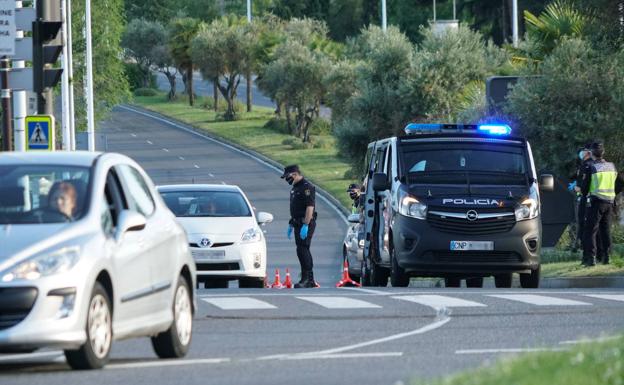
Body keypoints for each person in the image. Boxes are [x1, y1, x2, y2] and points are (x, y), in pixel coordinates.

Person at [581, 142, 621, 266]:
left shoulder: (591, 167)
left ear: (592, 153)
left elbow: (584, 189)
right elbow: (618, 184)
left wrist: (584, 193)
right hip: (609, 202)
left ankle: (591, 258)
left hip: (596, 202)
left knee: (590, 230)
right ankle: (607, 257)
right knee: (605, 230)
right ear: (603, 153)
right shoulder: (612, 166)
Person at [282, 164, 318, 288]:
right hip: (297, 222)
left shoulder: (306, 187)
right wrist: (291, 223)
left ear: (295, 174)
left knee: (303, 249)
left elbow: (310, 207)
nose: (287, 180)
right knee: (301, 250)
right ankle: (307, 278)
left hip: (305, 222)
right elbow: (295, 207)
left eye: (288, 177)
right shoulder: (295, 188)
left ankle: (308, 279)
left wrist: (306, 224)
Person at [572, 143, 594, 251]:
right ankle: (580, 245)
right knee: (581, 222)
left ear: (588, 152)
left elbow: (586, 183)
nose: (581, 152)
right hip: (583, 197)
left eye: (583, 150)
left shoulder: (588, 165)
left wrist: (578, 189)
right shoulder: (584, 164)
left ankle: (583, 246)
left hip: (586, 198)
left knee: (583, 223)